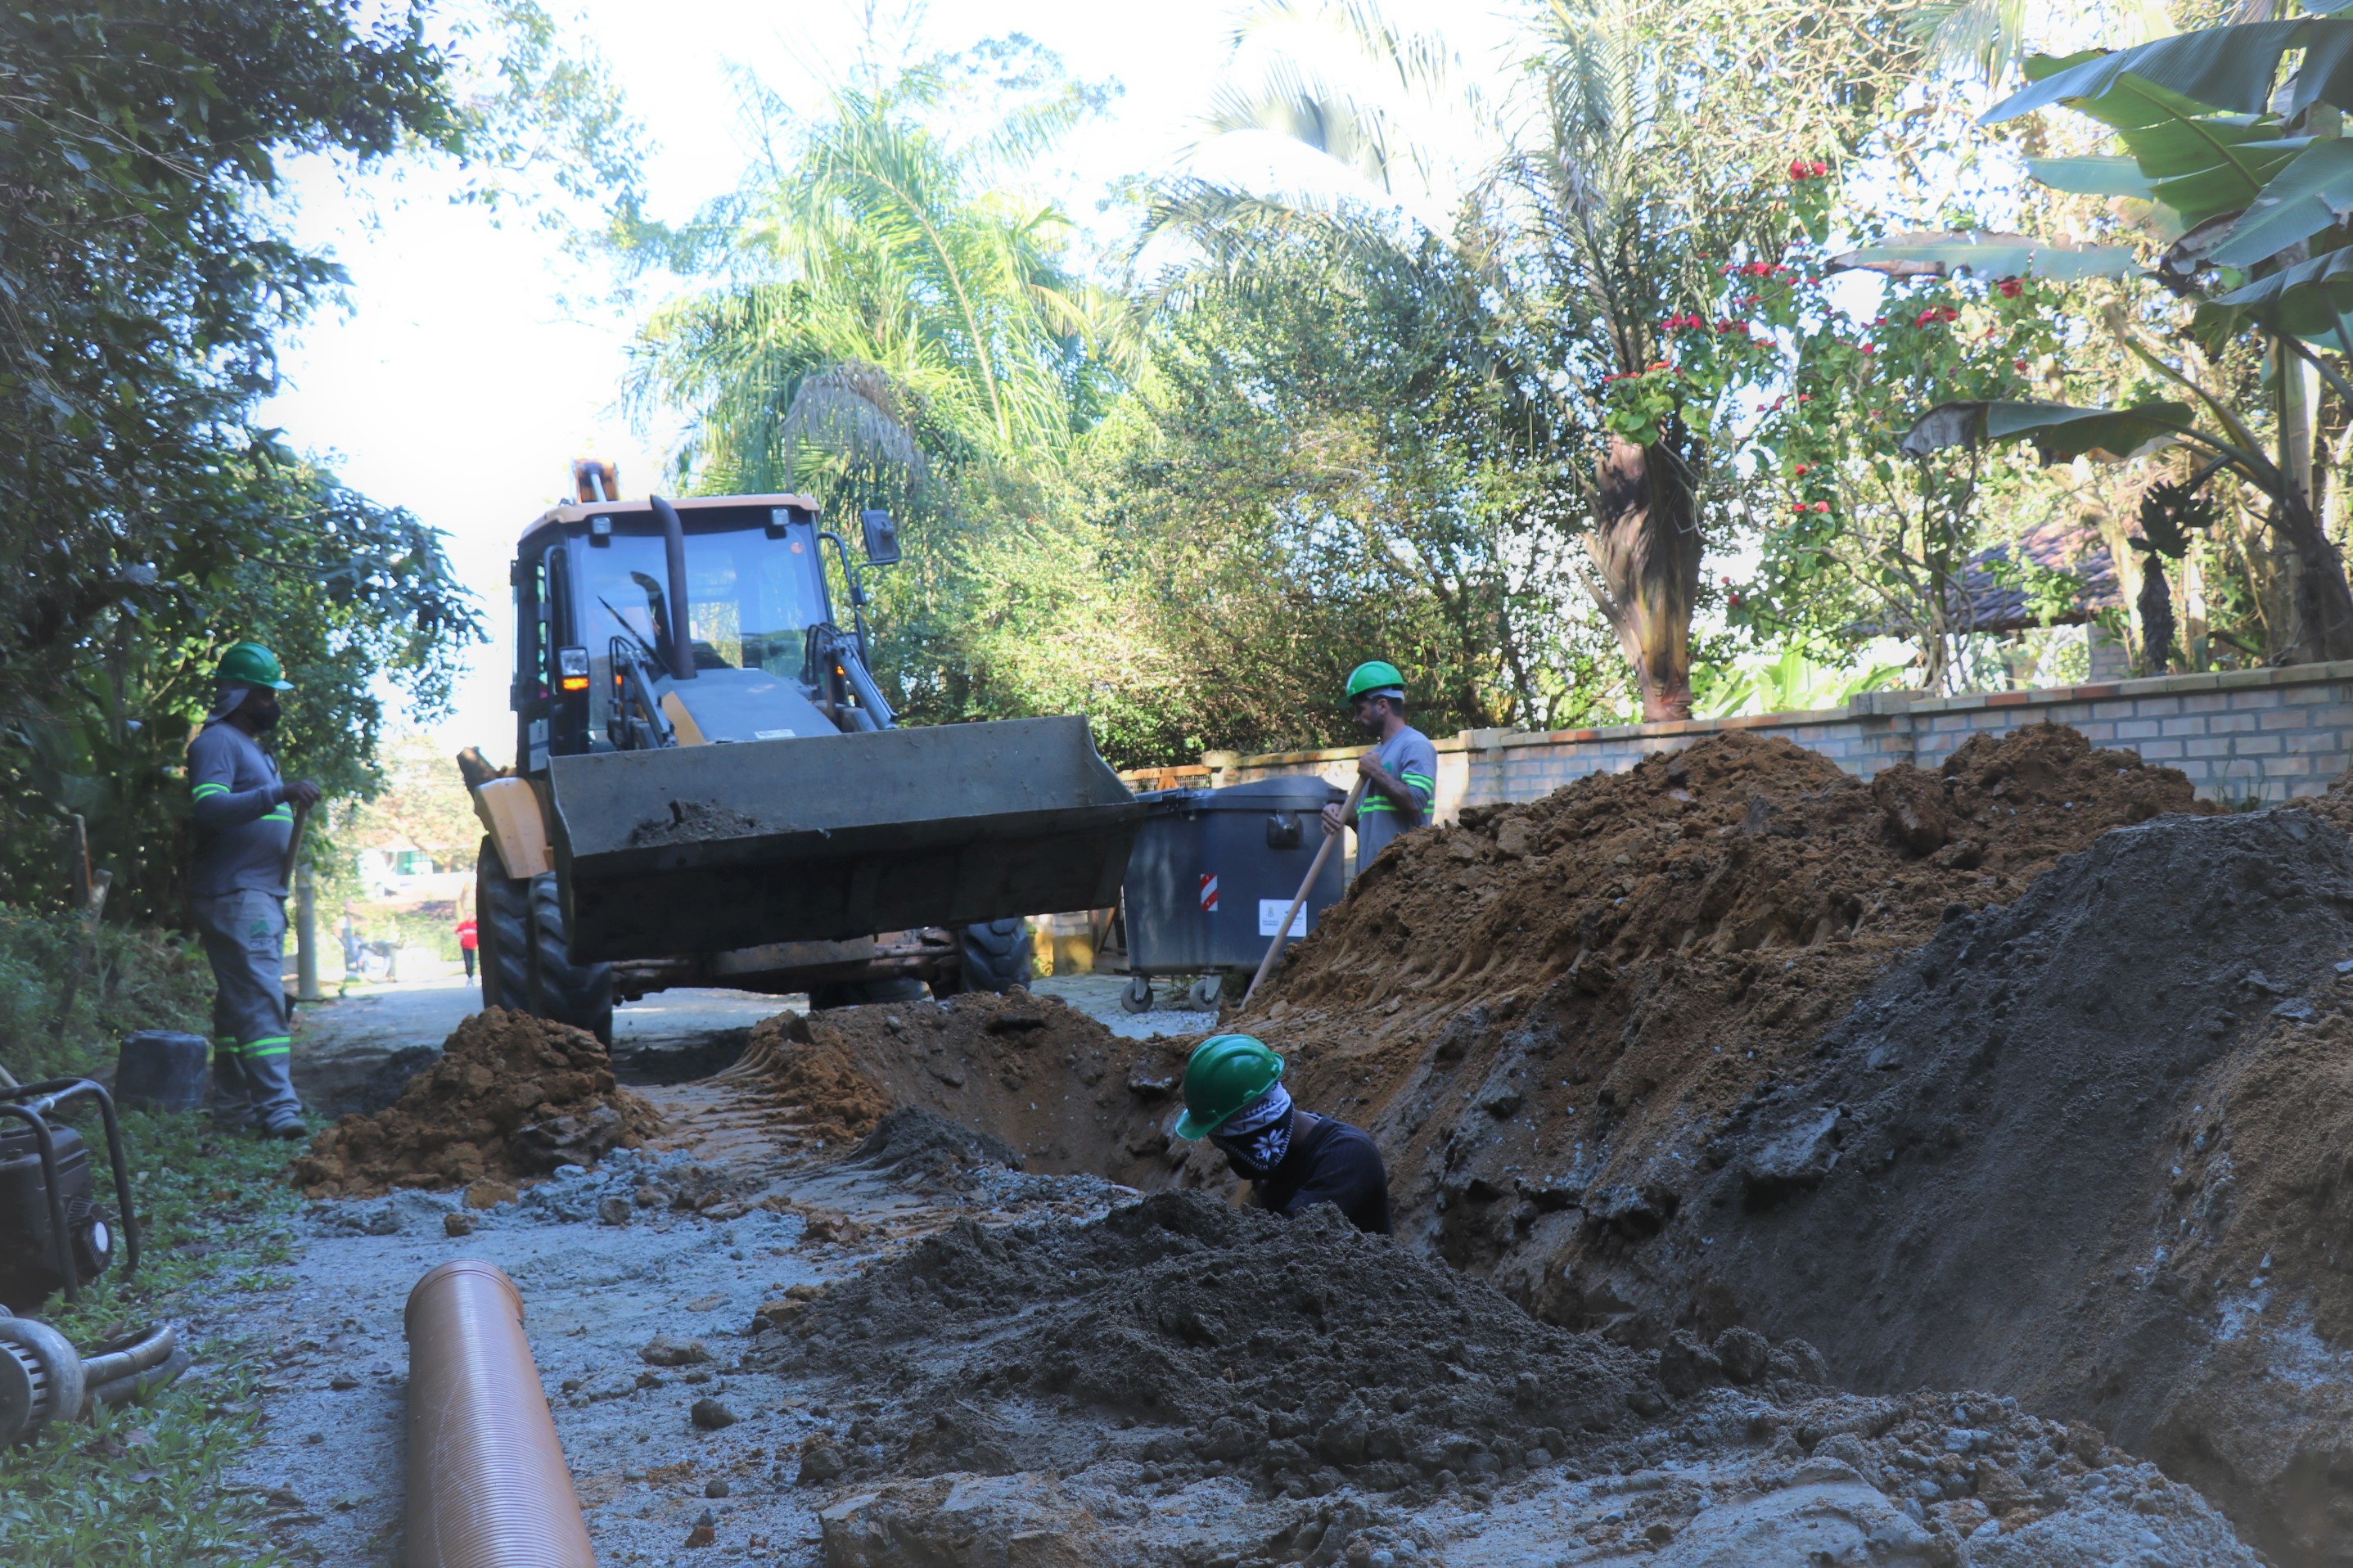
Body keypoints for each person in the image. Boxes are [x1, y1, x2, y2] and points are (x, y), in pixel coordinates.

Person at [187, 642, 319, 1139]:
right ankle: (279, 1110)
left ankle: (234, 1111)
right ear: (242, 695)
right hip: (238, 895)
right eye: (267, 695)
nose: (273, 704)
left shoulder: (252, 749)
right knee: (263, 1000)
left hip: (257, 893)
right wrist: (278, 794)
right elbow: (210, 807)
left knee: (239, 1005)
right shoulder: (217, 742)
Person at [1173, 1034, 1391, 1234]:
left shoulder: (1347, 1157)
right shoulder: (1279, 1152)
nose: (1231, 1159)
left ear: (1253, 1136)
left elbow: (1286, 1245)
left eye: (1229, 1150)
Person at [1319, 660, 1438, 877]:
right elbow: (1370, 825)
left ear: (1382, 706)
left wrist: (1376, 772)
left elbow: (1416, 803)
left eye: (1360, 709)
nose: (1356, 718)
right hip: (1371, 884)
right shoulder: (1378, 754)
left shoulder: (1415, 745)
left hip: (1403, 883)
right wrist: (1341, 813)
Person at [456, 913, 479, 982]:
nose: (470, 917)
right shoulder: (463, 925)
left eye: (471, 915)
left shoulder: (476, 925)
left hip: (473, 946)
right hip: (465, 946)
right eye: (469, 916)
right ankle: (469, 975)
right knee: (468, 962)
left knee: (472, 962)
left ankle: (472, 975)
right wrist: (460, 935)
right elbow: (457, 931)